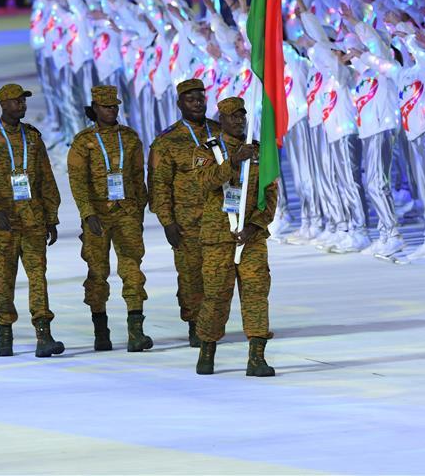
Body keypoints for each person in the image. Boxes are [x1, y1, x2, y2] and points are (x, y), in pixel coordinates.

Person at [0, 83, 64, 358]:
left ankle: (43, 334)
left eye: (23, 101)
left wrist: (52, 217)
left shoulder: (33, 137)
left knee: (38, 277)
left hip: (33, 219)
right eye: (16, 102)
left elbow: (46, 178)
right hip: (4, 223)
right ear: (3, 105)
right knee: (4, 278)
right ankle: (5, 333)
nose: (22, 105)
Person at [194, 96, 276, 377]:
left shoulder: (260, 152)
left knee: (256, 294)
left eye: (242, 115)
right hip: (218, 237)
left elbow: (270, 195)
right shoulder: (207, 150)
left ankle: (256, 357)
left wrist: (255, 226)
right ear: (222, 120)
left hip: (251, 237)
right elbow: (205, 183)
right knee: (216, 296)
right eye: (233, 116)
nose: (239, 120)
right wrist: (233, 161)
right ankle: (207, 350)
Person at [67, 85, 153, 353]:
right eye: (106, 107)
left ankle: (135, 332)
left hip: (126, 213)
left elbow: (139, 176)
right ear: (95, 109)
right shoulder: (83, 142)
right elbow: (77, 181)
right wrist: (87, 213)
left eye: (115, 106)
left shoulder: (129, 138)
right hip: (97, 217)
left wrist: (139, 209)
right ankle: (100, 330)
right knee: (97, 273)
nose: (112, 110)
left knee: (133, 271)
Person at [148, 79, 220, 347]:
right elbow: (159, 185)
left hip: (220, 218)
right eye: (191, 99)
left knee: (216, 275)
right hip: (186, 222)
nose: (197, 103)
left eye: (201, 98)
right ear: (179, 104)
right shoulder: (168, 141)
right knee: (190, 274)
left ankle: (211, 322)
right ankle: (194, 323)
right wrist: (167, 222)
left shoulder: (220, 132)